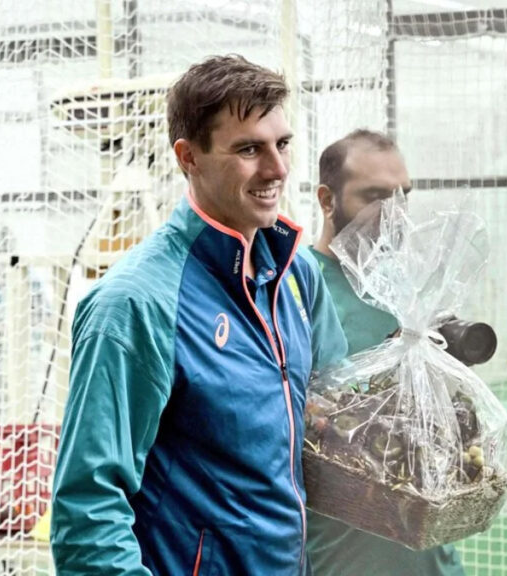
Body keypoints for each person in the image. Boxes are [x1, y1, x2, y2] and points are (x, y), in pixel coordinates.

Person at [51, 54, 348, 575]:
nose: (278, 169)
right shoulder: (135, 303)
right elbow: (87, 512)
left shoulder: (297, 276)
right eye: (249, 149)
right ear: (188, 157)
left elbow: (335, 416)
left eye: (282, 144)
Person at [307, 129, 465, 576]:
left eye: (403, 196)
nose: (394, 213)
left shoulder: (413, 290)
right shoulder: (296, 287)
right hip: (339, 560)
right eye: (374, 196)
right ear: (327, 200)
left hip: (433, 562)